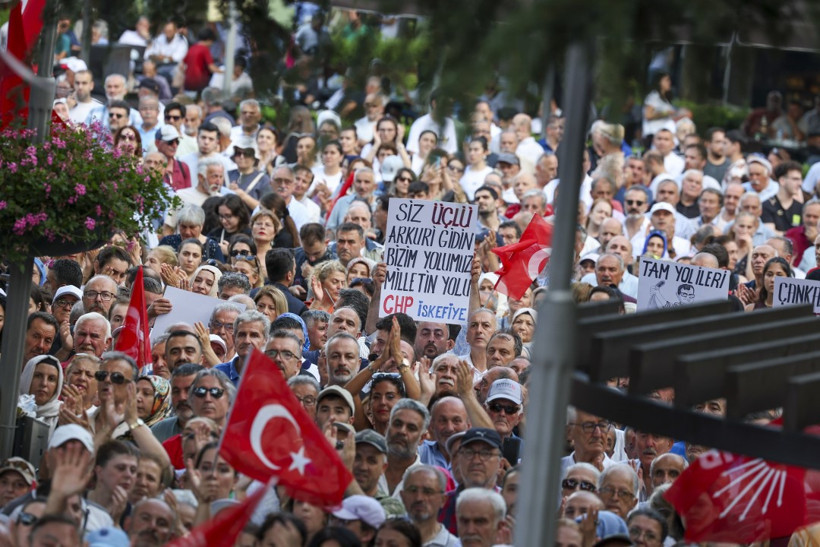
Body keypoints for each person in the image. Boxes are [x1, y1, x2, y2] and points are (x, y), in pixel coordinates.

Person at [18, 355, 63, 435]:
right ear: (27, 377)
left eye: (51, 379)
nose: (44, 383)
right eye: (38, 376)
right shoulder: (8, 410)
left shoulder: (64, 416)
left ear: (58, 385)